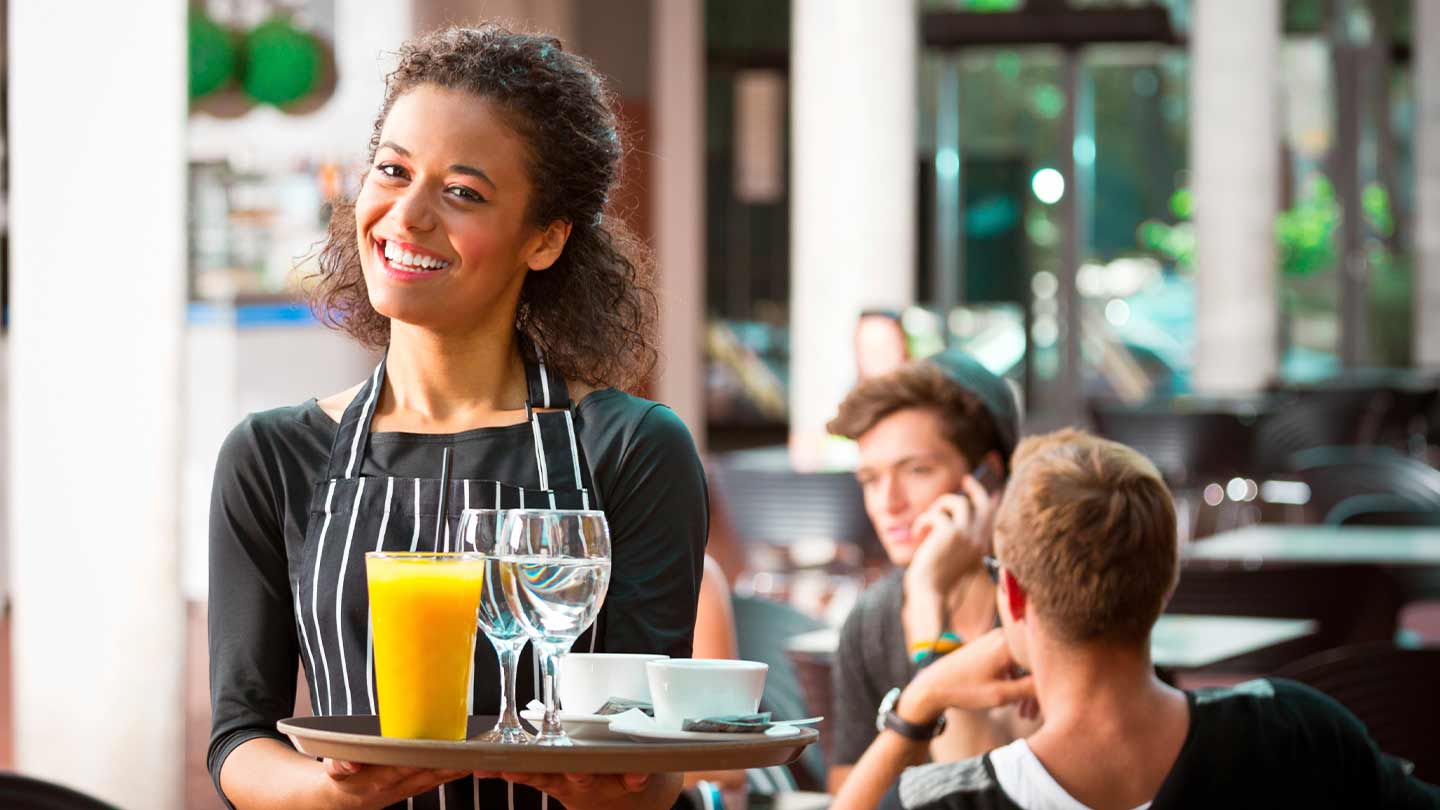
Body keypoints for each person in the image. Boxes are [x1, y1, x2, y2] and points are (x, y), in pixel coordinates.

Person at [207, 25, 706, 810]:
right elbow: (239, 738)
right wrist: (333, 795)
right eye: (393, 171)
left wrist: (596, 787)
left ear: (543, 239)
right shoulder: (272, 454)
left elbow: (655, 773)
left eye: (463, 192)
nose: (406, 216)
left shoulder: (632, 448)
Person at [840, 430, 1440, 810]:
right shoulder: (1293, 732)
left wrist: (921, 701)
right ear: (1168, 579)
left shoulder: (953, 799)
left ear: (1015, 596)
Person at [824, 351, 1033, 794]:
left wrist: (928, 602)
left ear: (988, 477)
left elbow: (988, 798)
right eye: (870, 479)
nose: (888, 502)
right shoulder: (871, 620)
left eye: (916, 470)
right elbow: (849, 796)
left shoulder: (1041, 605)